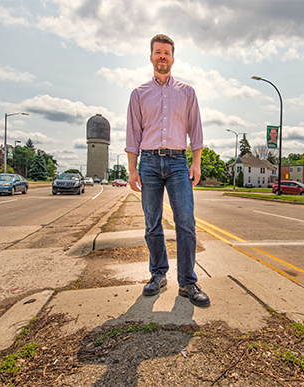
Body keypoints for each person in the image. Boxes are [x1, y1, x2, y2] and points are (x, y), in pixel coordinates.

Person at [124, 34, 210, 307]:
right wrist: (132, 169)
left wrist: (196, 163)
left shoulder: (187, 92)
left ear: (173, 58)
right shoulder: (139, 93)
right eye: (158, 52)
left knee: (186, 222)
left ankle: (187, 281)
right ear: (151, 57)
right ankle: (158, 274)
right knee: (152, 223)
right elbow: (133, 134)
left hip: (177, 163)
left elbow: (195, 130)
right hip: (148, 162)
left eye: (167, 53)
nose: (162, 57)